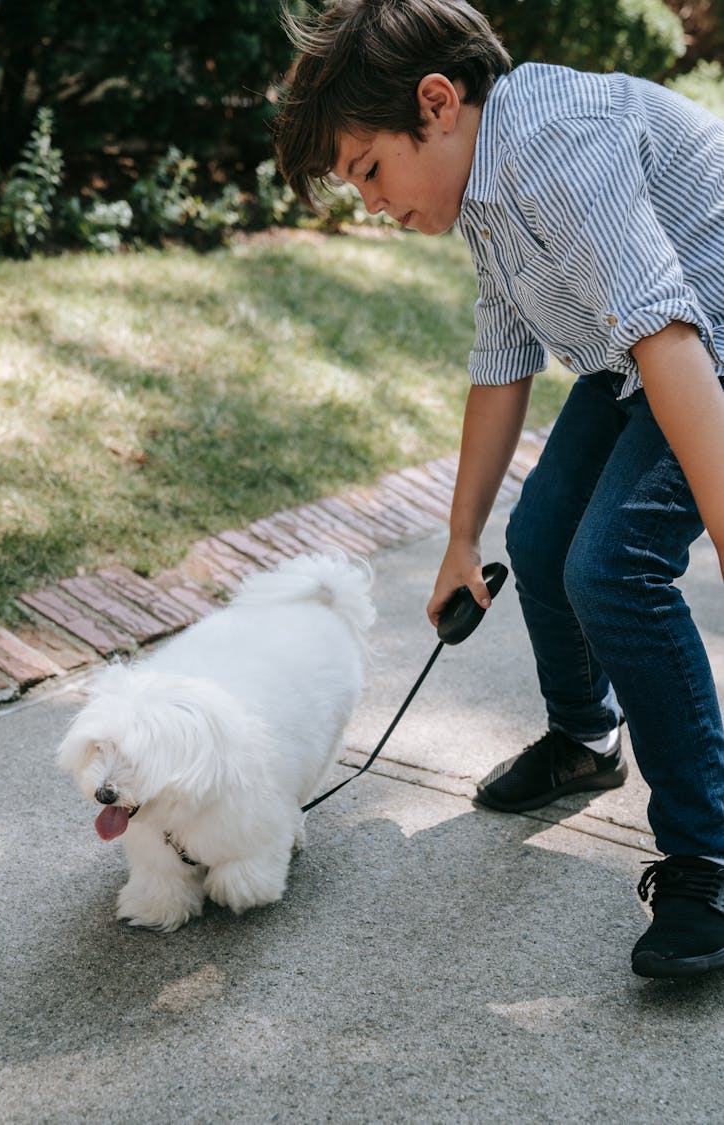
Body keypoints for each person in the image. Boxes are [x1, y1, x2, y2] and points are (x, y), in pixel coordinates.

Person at [274, 0, 724, 979]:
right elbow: (501, 360)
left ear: (436, 104)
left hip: (702, 342)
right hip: (643, 352)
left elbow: (670, 334)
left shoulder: (559, 146)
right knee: (543, 534)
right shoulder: (486, 183)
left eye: (369, 171)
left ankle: (710, 851)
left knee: (612, 565)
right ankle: (585, 735)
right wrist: (457, 537)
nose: (372, 205)